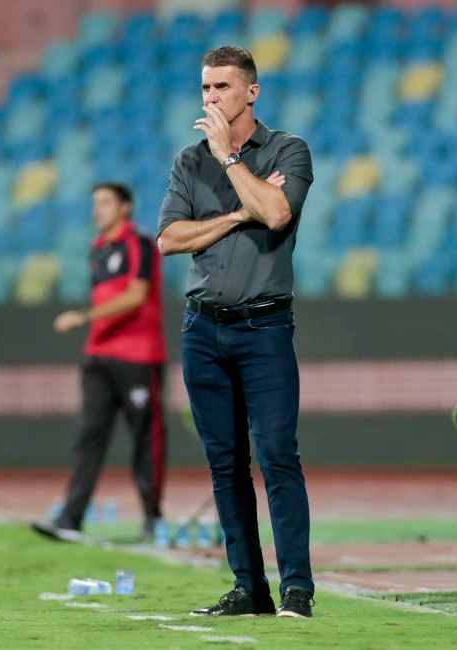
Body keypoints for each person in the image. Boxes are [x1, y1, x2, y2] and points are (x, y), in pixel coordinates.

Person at [157, 46, 315, 618]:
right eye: (205, 88)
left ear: (251, 91)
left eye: (221, 87)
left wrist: (229, 161)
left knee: (277, 455)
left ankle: (297, 587)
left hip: (264, 327)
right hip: (203, 329)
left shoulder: (289, 150)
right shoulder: (186, 161)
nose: (210, 99)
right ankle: (250, 588)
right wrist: (234, 214)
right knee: (225, 465)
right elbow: (168, 239)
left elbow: (277, 213)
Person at [32, 182, 167, 542]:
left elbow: (136, 296)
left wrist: (84, 316)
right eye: (95, 202)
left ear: (126, 207)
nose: (98, 209)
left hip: (138, 353)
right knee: (89, 436)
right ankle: (71, 517)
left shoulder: (138, 243)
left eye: (105, 202)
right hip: (99, 354)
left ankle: (152, 517)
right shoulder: (96, 249)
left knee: (145, 437)